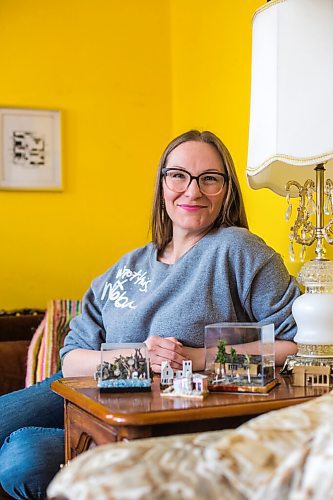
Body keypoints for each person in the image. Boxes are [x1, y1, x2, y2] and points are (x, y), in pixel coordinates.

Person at [0, 130, 300, 499]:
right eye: (179, 176)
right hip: (85, 388)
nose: (192, 191)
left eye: (210, 178)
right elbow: (74, 358)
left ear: (227, 190)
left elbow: (297, 344)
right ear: (162, 184)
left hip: (155, 415)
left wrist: (197, 358)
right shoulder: (130, 263)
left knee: (23, 457)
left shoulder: (238, 250)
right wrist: (140, 357)